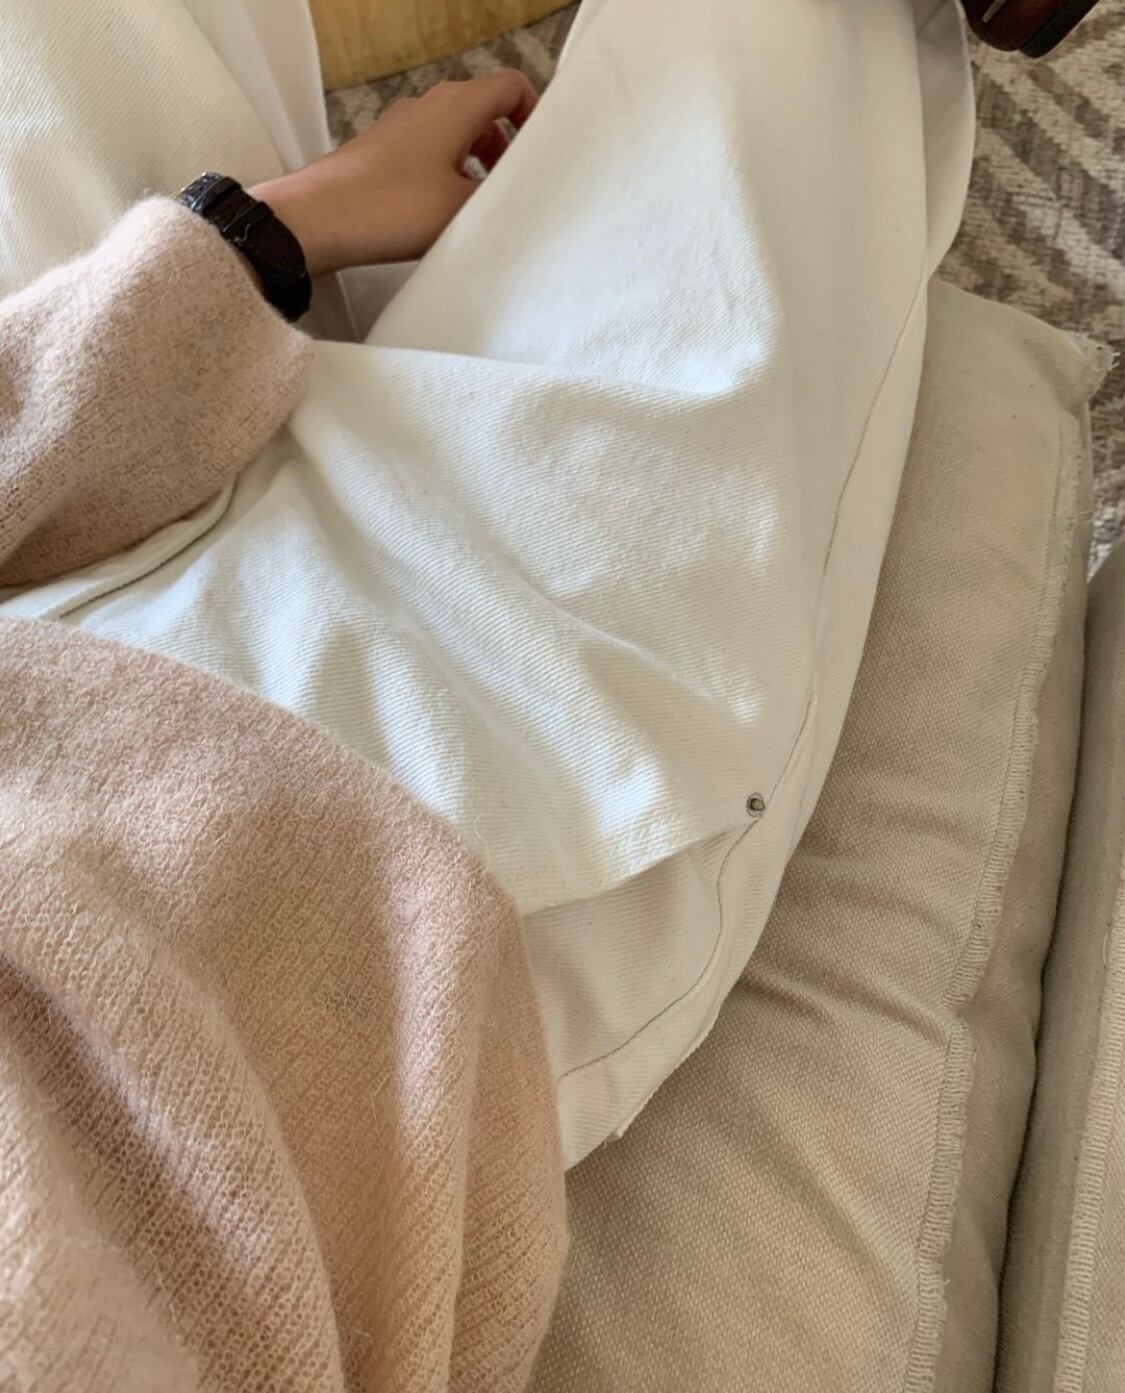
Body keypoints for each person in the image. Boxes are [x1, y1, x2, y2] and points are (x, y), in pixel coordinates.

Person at [0, 0, 974, 1168]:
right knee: (771, 27)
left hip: (56, 618)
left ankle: (329, 310)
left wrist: (268, 231)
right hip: (320, 900)